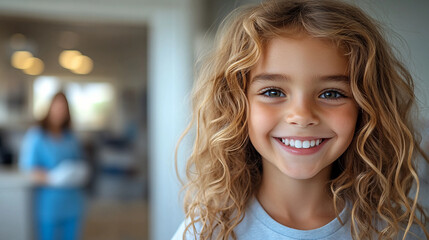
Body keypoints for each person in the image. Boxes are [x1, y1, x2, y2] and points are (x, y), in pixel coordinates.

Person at [173, 0, 429, 239]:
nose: (302, 116)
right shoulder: (206, 231)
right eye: (273, 92)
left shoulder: (395, 230)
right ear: (236, 105)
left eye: (331, 93)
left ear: (367, 108)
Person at [20, 92, 88, 240]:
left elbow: (79, 162)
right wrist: (54, 178)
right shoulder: (37, 136)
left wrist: (78, 173)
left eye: (63, 109)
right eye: (57, 108)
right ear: (50, 108)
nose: (60, 112)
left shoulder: (70, 137)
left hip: (73, 202)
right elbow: (28, 169)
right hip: (49, 205)